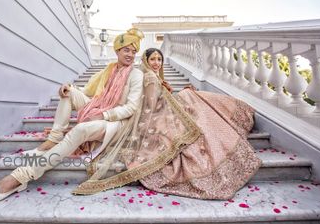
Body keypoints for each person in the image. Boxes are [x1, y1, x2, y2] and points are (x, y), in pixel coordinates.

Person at [0, 28, 145, 204]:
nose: (130, 54)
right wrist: (69, 87)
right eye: (126, 50)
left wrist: (104, 114)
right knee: (69, 92)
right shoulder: (109, 70)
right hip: (99, 109)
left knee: (81, 129)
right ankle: (55, 139)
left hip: (116, 122)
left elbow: (131, 107)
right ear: (117, 50)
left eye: (133, 51)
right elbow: (87, 91)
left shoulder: (136, 74)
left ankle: (20, 177)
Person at [72, 48, 261, 200]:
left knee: (194, 101)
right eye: (152, 59)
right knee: (193, 101)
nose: (156, 63)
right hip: (154, 116)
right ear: (146, 61)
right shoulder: (148, 77)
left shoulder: (154, 77)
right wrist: (174, 96)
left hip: (159, 110)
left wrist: (172, 92)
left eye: (159, 60)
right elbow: (152, 104)